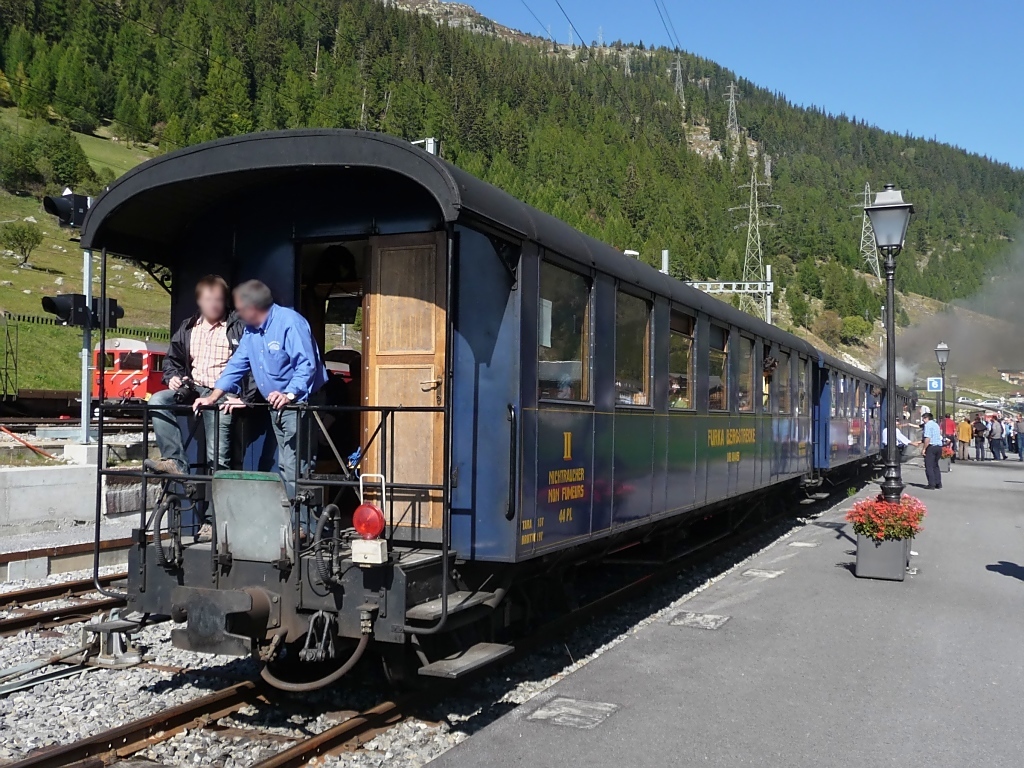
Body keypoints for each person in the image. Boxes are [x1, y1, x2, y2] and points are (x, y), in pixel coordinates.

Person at [194, 280, 328, 496]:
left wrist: (289, 394)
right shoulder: (251, 331)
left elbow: (307, 364)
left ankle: (305, 526)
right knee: (285, 465)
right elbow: (237, 364)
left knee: (297, 465)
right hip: (277, 403)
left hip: (301, 400)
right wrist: (212, 396)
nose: (236, 314)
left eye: (240, 308)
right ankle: (293, 525)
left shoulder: (290, 322)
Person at [920, 412, 943, 490]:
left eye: (923, 419)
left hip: (931, 447)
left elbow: (927, 438)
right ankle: (938, 483)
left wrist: (924, 449)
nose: (923, 421)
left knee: (929, 465)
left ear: (926, 418)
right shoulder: (936, 424)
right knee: (935, 465)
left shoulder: (928, 425)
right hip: (939, 446)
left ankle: (931, 484)